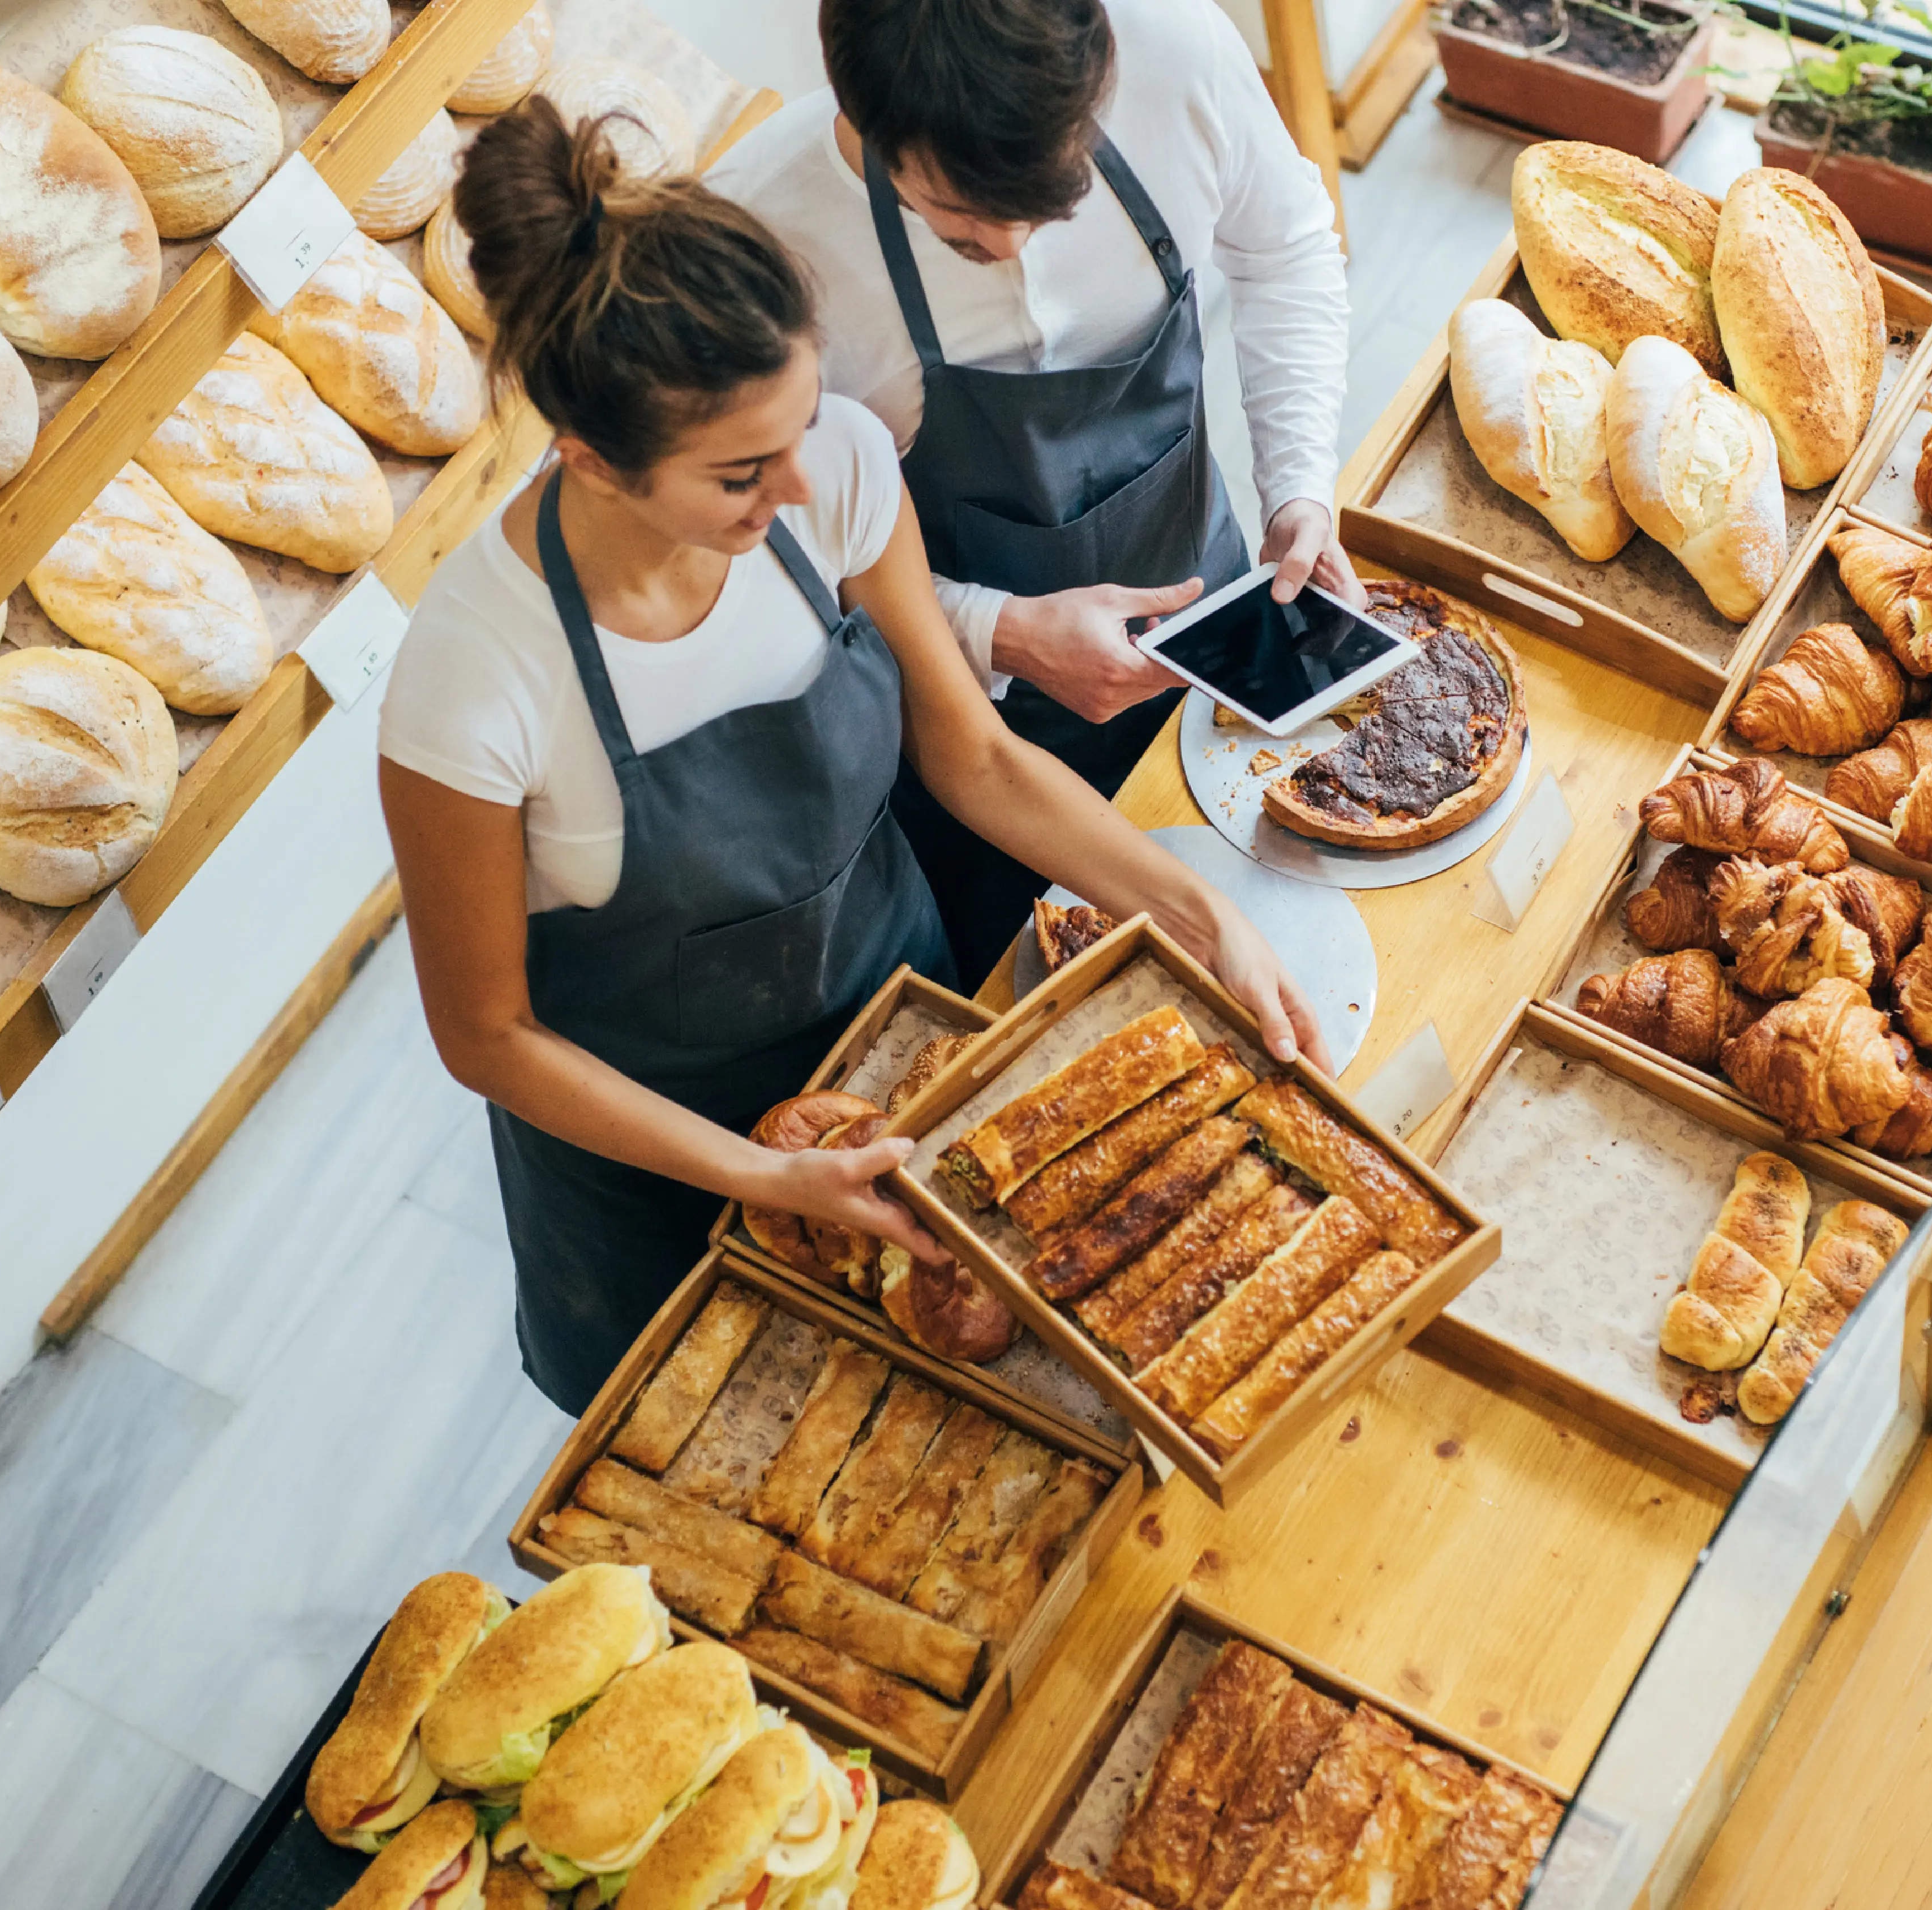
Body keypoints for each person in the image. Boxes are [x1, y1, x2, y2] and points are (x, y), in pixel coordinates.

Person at [377, 101, 1320, 1414]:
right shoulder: (474, 680)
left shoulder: (839, 471)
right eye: (740, 475)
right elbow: (488, 1035)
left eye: (805, 425)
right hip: (662, 1174)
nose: (802, 493)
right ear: (587, 457)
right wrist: (761, 1177)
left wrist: (1200, 915)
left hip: (902, 1053)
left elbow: (976, 761)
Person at [707, 0, 1353, 978]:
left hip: (1214, 654)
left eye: (1055, 196)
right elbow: (770, 559)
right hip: (969, 749)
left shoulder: (1176, 51)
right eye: (963, 215)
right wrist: (996, 630)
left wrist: (1298, 482)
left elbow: (1287, 247)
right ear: (861, 110)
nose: (1010, 244)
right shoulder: (758, 240)